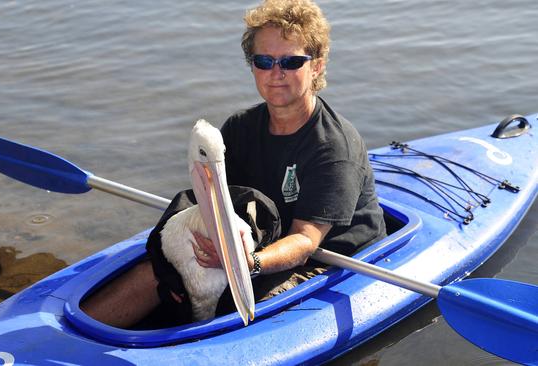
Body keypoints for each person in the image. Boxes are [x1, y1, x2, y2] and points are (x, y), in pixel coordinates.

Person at [81, 0, 386, 327]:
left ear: (317, 66)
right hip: (267, 233)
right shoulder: (240, 128)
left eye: (291, 61)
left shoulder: (333, 147)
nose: (276, 73)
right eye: (264, 61)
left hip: (334, 258)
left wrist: (246, 263)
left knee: (238, 305)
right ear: (252, 65)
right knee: (160, 273)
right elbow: (218, 204)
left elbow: (305, 241)